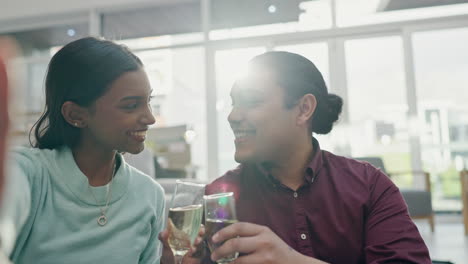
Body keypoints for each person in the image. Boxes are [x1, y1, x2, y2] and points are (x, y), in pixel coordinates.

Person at [205, 51, 431, 264]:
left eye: (252, 101)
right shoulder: (219, 197)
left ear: (304, 109)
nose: (232, 116)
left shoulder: (369, 187)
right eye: (234, 103)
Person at [0, 37, 201, 264]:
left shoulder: (149, 194)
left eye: (148, 101)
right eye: (131, 105)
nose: (150, 118)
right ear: (75, 115)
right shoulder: (26, 173)